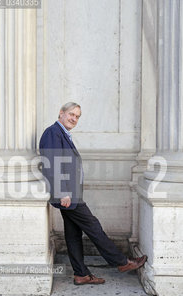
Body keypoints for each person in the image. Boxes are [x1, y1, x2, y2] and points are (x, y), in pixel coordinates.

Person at [39, 102, 147, 285]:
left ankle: (81, 274)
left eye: (77, 116)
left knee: (73, 233)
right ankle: (121, 262)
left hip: (71, 195)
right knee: (93, 226)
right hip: (67, 195)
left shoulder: (62, 133)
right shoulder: (53, 132)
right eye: (71, 114)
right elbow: (52, 164)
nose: (74, 118)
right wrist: (63, 192)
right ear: (61, 113)